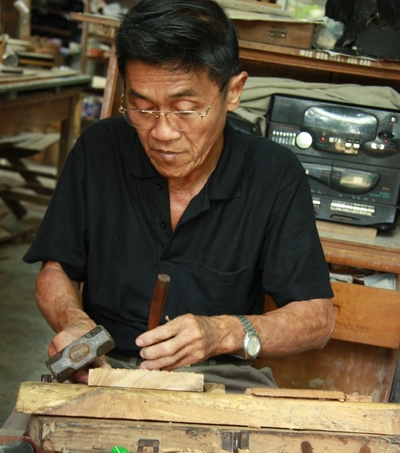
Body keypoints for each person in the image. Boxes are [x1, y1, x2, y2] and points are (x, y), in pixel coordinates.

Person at [23, 0, 335, 393]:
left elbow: (318, 318)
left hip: (217, 378)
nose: (162, 132)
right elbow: (56, 268)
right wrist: (75, 322)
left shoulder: (273, 174)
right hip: (106, 370)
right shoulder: (98, 150)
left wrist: (222, 332)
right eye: (142, 108)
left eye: (185, 109)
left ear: (233, 92)